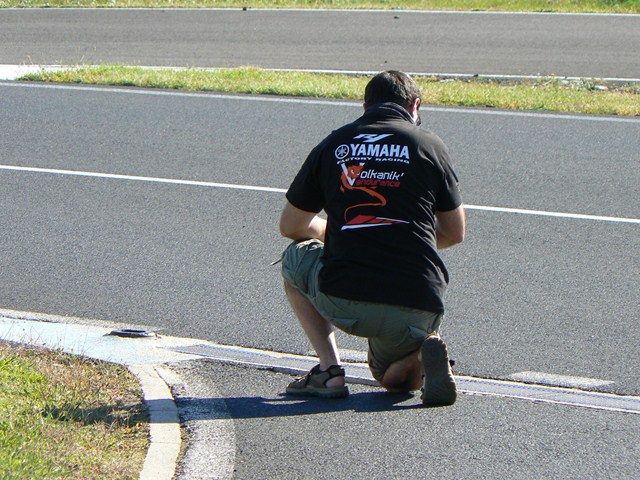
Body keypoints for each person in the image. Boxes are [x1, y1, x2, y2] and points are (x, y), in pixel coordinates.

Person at [278, 70, 465, 406]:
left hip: (345, 296)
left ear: (365, 106)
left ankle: (329, 371)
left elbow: (292, 225)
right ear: (415, 107)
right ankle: (418, 357)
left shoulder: (333, 144)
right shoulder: (430, 145)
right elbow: (454, 233)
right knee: (392, 382)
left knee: (294, 256)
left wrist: (338, 234)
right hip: (416, 303)